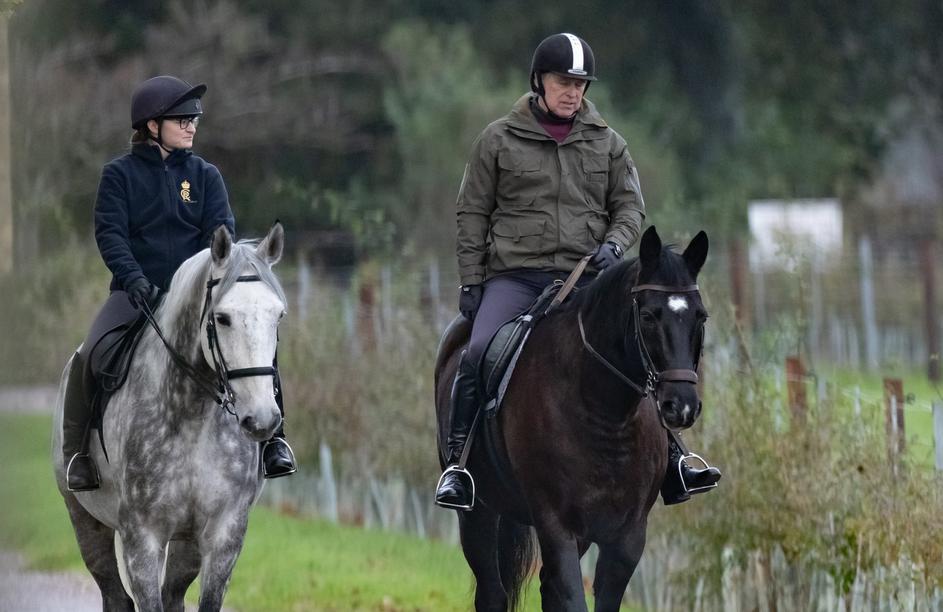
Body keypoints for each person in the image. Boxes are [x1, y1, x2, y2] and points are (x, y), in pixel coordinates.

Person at [434, 33, 721, 509]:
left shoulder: (608, 144)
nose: (572, 92)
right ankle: (458, 465)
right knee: (479, 350)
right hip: (515, 277)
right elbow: (471, 214)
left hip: (587, 278)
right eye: (563, 82)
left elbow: (630, 207)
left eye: (580, 84)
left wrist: (614, 245)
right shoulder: (497, 140)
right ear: (538, 82)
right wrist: (472, 279)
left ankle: (674, 459)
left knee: (640, 349)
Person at [62, 75, 296, 491]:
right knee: (90, 353)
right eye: (183, 120)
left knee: (255, 344)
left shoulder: (206, 175)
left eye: (194, 120)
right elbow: (110, 234)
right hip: (136, 293)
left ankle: (274, 440)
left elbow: (220, 236)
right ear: (152, 126)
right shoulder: (118, 175)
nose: (192, 127)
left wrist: (207, 283)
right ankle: (78, 453)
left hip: (196, 298)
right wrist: (134, 279)